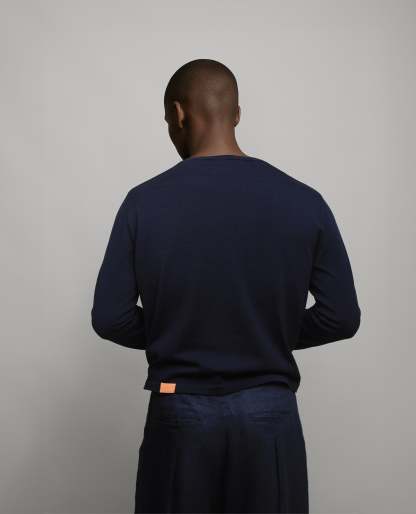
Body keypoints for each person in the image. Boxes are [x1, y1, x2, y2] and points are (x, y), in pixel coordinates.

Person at [91, 58, 361, 513]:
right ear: (236, 114)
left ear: (177, 114)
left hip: (179, 408)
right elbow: (342, 316)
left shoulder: (143, 203)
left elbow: (110, 317)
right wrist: (262, 332)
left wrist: (182, 331)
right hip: (269, 414)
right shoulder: (304, 201)